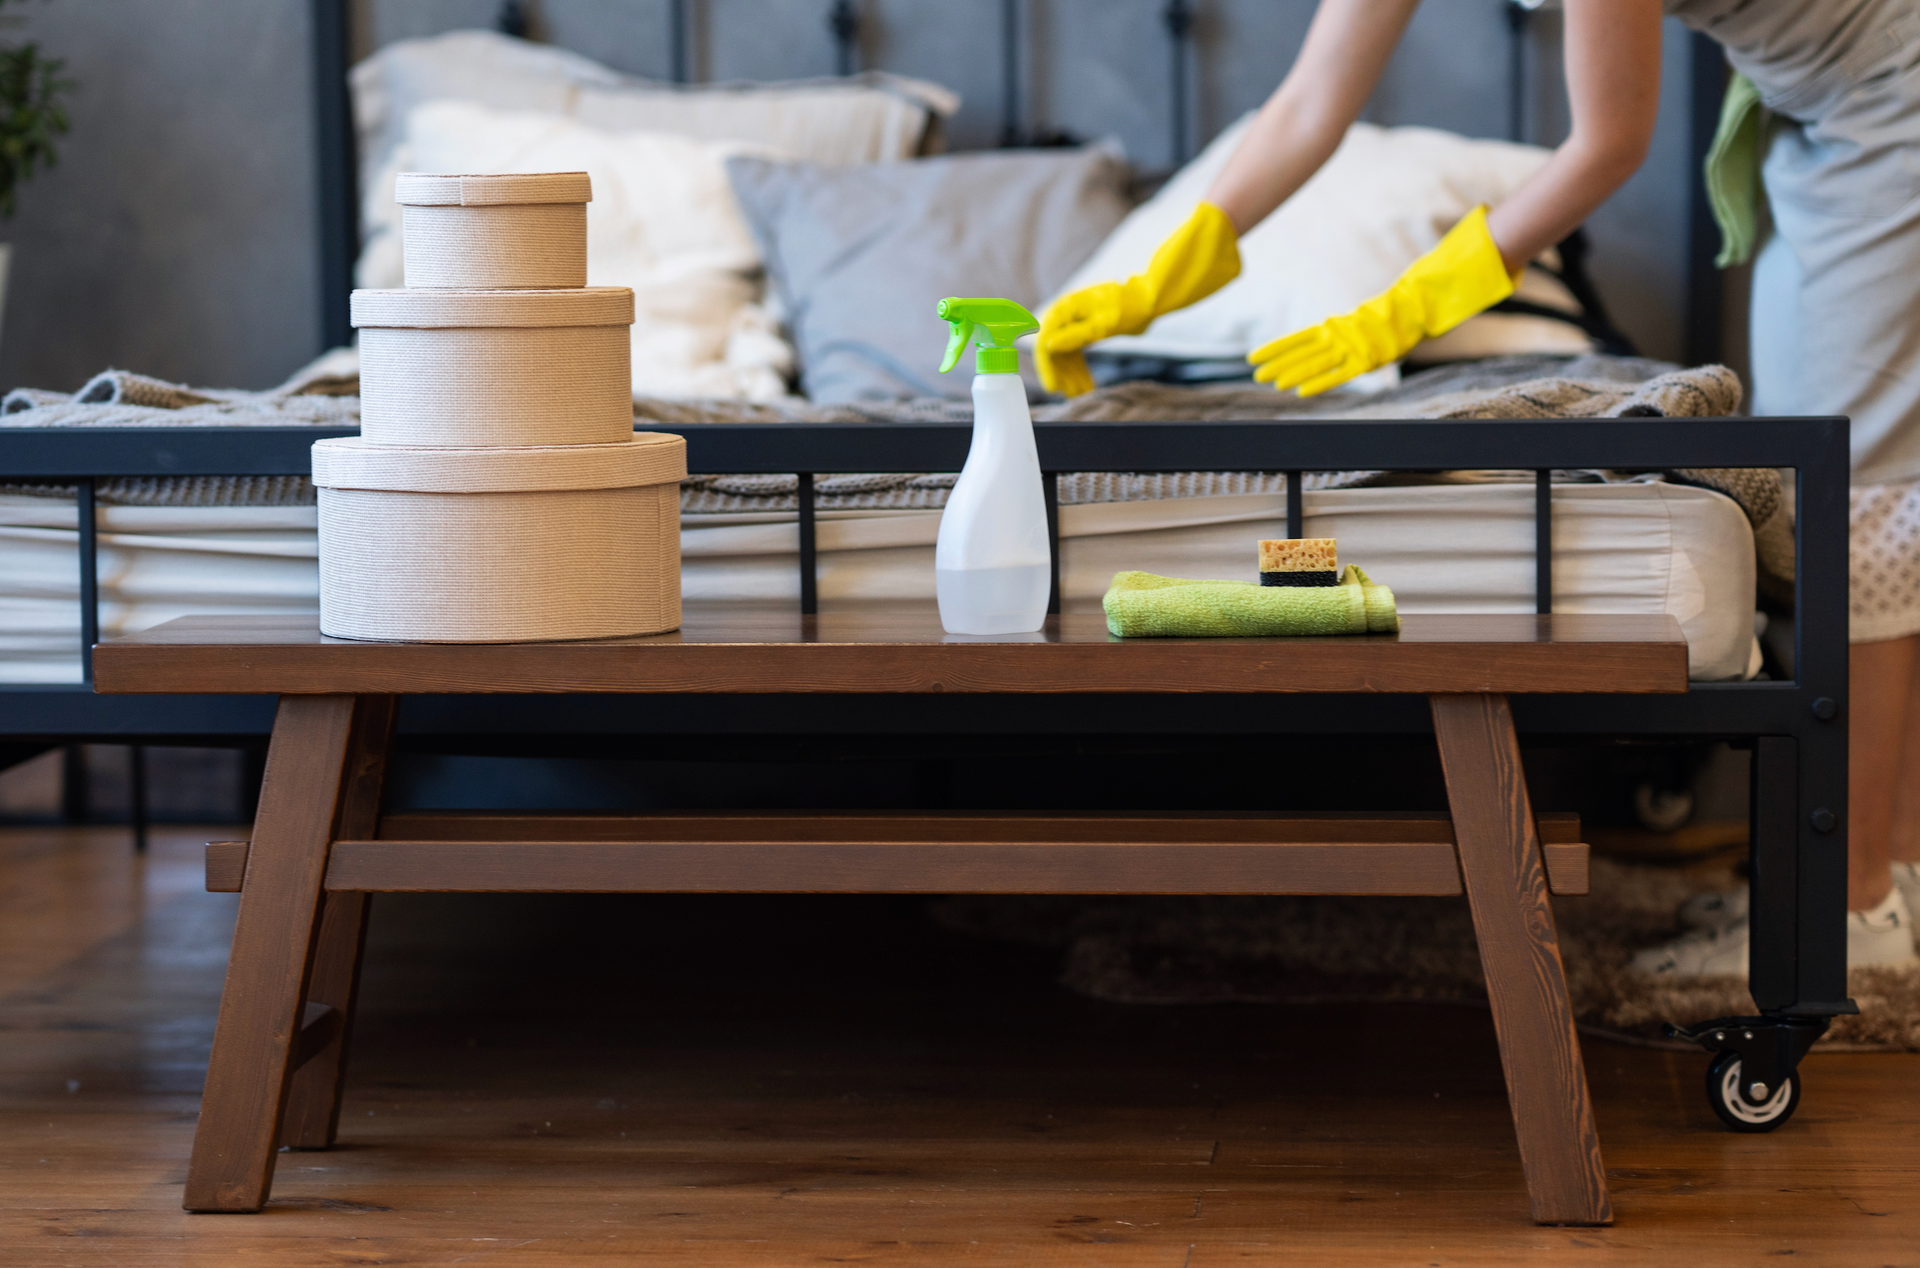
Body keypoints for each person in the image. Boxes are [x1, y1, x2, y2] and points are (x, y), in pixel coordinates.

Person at [1035, 0, 1920, 979]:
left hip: (1894, 93)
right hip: (1815, 99)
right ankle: (1896, 872)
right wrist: (1157, 277)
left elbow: (1609, 146)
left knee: (1857, 488)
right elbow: (1308, 106)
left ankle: (1850, 912)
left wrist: (1408, 307)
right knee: (1867, 470)